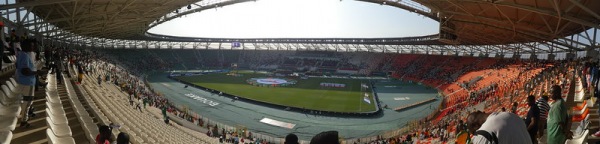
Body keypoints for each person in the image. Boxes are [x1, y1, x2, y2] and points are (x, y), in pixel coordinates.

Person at [16, 38, 43, 128]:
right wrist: (36, 73)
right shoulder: (24, 55)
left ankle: (26, 117)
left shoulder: (23, 54)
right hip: (28, 82)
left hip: (25, 82)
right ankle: (24, 122)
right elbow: (25, 71)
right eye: (31, 46)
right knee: (28, 102)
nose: (33, 47)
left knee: (27, 102)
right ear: (25, 46)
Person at [467, 111, 532, 144]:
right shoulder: (510, 115)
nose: (475, 135)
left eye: (474, 133)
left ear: (476, 126)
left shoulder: (483, 133)